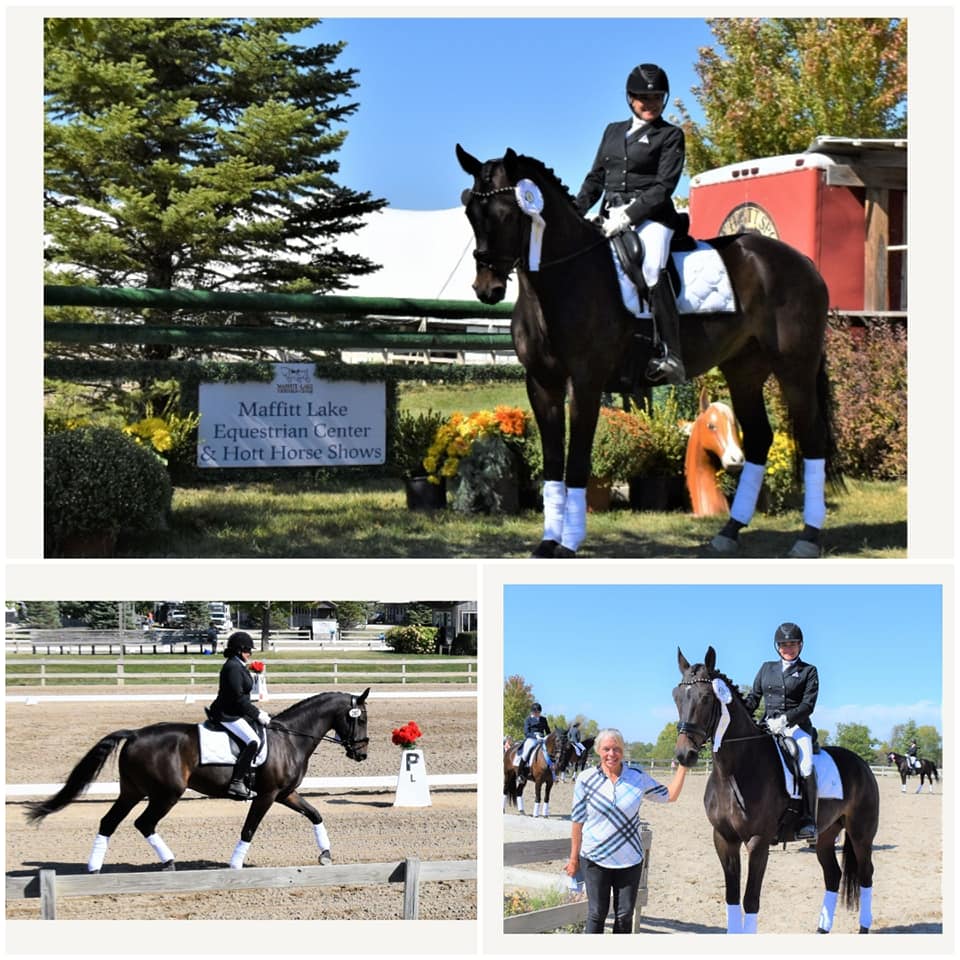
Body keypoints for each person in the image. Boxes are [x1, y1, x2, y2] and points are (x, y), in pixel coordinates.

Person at [575, 63, 687, 384]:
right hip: (610, 214)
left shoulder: (670, 135)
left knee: (652, 268)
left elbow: (664, 187)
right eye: (642, 97)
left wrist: (628, 216)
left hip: (652, 218)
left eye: (656, 97)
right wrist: (576, 209)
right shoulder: (612, 131)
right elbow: (596, 179)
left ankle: (672, 355)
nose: (649, 103)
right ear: (629, 98)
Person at [565, 728, 687, 933]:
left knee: (624, 916)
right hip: (595, 858)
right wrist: (573, 858)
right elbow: (577, 821)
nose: (611, 754)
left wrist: (684, 765)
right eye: (606, 749)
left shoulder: (637, 776)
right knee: (597, 913)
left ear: (622, 751)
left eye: (616, 749)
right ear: (598, 751)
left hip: (630, 860)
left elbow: (670, 795)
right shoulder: (585, 779)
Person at [743, 622, 820, 840]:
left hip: (796, 727)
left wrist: (786, 719)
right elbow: (753, 698)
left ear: (800, 645)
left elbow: (808, 705)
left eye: (793, 644)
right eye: (784, 645)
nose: (788, 648)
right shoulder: (766, 668)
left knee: (805, 765)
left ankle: (808, 819)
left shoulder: (808, 671)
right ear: (777, 647)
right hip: (767, 725)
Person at [207, 631, 271, 800]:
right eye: (248, 650)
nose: (250, 653)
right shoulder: (233, 667)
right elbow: (238, 698)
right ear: (239, 650)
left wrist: (250, 670)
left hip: (235, 711)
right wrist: (257, 714)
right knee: (253, 741)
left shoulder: (237, 664)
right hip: (228, 714)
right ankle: (236, 782)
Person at [518, 702, 550, 781]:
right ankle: (520, 774)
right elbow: (526, 733)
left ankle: (552, 773)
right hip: (531, 738)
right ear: (532, 712)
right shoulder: (528, 719)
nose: (538, 714)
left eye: (539, 712)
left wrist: (547, 737)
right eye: (536, 712)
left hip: (542, 739)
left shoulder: (543, 719)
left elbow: (548, 731)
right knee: (525, 753)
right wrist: (535, 736)